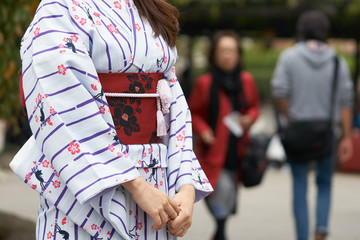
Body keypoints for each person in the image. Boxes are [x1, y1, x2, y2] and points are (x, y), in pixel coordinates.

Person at [10, 0, 213, 239]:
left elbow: (172, 100)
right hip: (88, 183)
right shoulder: (59, 7)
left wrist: (185, 186)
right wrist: (134, 184)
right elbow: (61, 100)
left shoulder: (149, 6)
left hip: (157, 179)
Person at [271, 10, 354, 240]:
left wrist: (291, 116)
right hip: (327, 132)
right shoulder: (338, 61)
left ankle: (302, 236)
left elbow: (279, 91)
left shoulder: (289, 57)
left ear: (301, 30)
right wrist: (346, 137)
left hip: (298, 129)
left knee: (299, 184)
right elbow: (346, 101)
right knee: (325, 183)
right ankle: (321, 228)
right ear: (325, 32)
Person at [188, 30, 260, 240]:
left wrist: (249, 119)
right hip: (213, 148)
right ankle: (221, 231)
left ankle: (220, 231)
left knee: (228, 190)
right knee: (216, 188)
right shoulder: (205, 83)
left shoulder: (246, 81)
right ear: (214, 54)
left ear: (238, 54)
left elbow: (255, 107)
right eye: (222, 51)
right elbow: (193, 113)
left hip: (237, 149)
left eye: (231, 50)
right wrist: (203, 130)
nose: (227, 55)